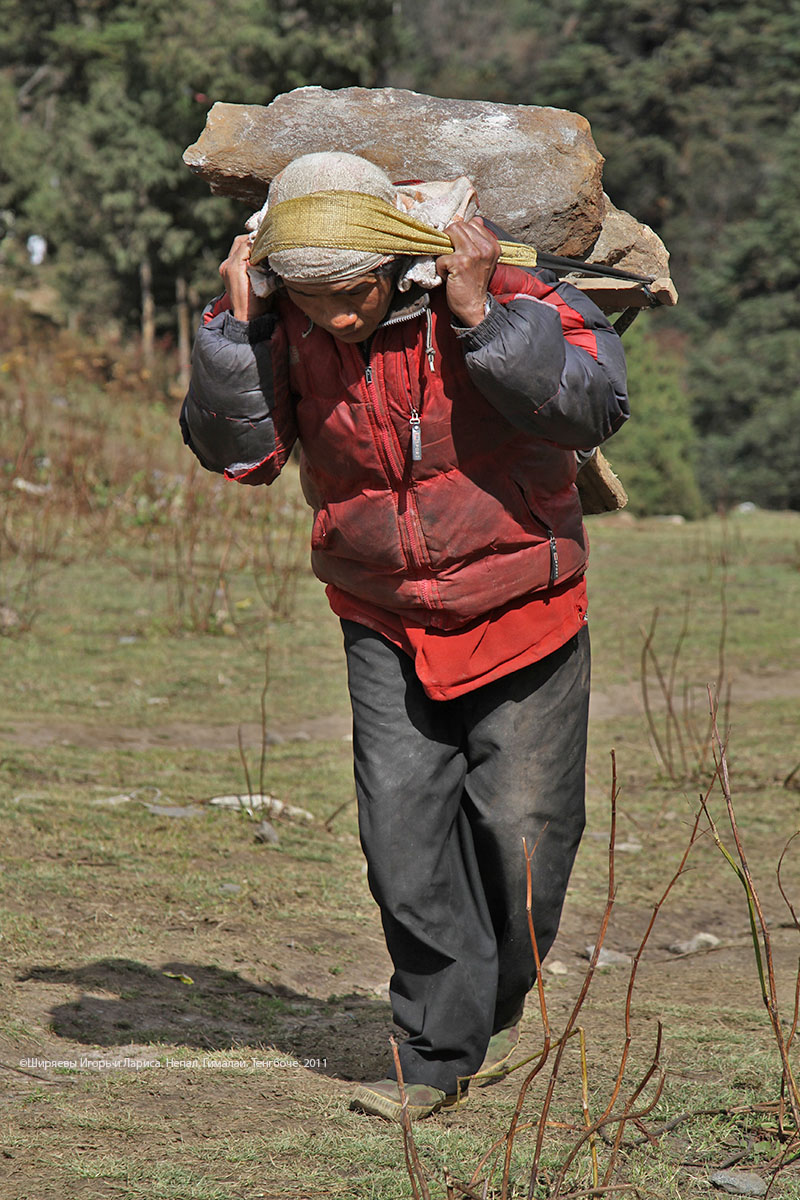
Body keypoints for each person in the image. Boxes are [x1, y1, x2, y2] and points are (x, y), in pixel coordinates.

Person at [180, 151, 628, 1121]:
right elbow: (239, 453)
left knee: (521, 843)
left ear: (393, 259)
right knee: (402, 848)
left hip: (524, 612)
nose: (336, 317)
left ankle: (484, 1008)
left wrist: (478, 316)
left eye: (351, 292)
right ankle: (434, 1055)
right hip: (382, 616)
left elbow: (596, 407)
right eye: (309, 298)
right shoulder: (280, 324)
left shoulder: (507, 288)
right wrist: (235, 330)